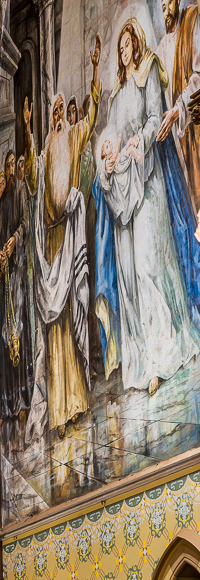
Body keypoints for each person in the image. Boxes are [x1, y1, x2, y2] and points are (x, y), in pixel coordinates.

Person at [95, 19, 200, 395]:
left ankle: (165, 352)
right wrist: (108, 160)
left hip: (149, 178)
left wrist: (138, 142)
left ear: (137, 45)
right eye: (120, 50)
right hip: (124, 190)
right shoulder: (116, 93)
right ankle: (143, 363)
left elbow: (157, 119)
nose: (125, 54)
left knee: (149, 266)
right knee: (130, 277)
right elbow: (109, 139)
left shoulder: (148, 72)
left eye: (128, 46)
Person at [24, 35, 101, 440]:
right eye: (52, 112)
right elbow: (34, 185)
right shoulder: (45, 149)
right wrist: (26, 131)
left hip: (68, 241)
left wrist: (94, 70)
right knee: (52, 329)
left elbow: (91, 115)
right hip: (49, 244)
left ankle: (77, 402)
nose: (57, 116)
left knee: (71, 317)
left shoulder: (72, 137)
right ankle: (57, 410)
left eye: (59, 110)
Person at [156, 0, 200, 213]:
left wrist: (179, 109)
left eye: (171, 2)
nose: (167, 11)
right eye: (163, 6)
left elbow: (199, 76)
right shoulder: (162, 46)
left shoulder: (192, 20)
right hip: (177, 133)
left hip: (194, 121)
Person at [0, 149, 33, 430]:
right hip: (3, 272)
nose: (11, 170)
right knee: (3, 335)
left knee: (17, 330)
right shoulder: (0, 199)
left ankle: (22, 400)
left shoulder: (20, 190)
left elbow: (25, 224)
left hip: (17, 268)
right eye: (8, 166)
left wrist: (13, 242)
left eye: (13, 164)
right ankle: (7, 403)